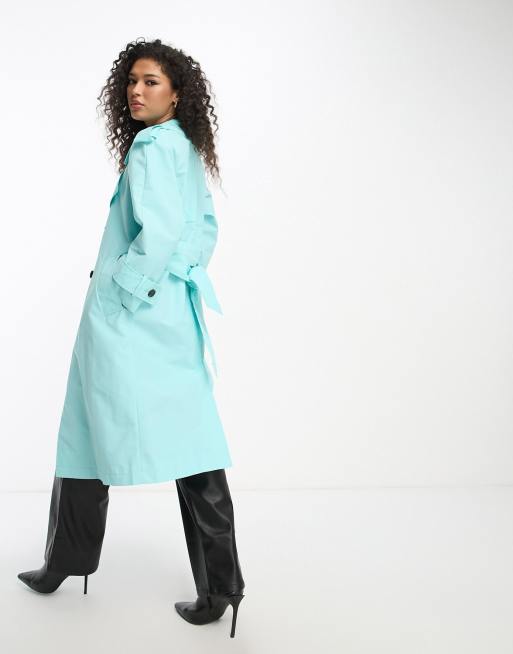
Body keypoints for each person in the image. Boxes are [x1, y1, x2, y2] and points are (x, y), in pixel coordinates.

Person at [17, 38, 245, 639]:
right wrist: (171, 283)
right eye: (133, 81)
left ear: (177, 93)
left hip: (129, 317)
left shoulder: (151, 145)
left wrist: (121, 291)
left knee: (84, 427)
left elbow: (162, 230)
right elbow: (203, 229)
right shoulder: (184, 146)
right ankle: (222, 586)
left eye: (151, 82)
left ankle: (66, 560)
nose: (136, 92)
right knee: (190, 437)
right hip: (171, 313)